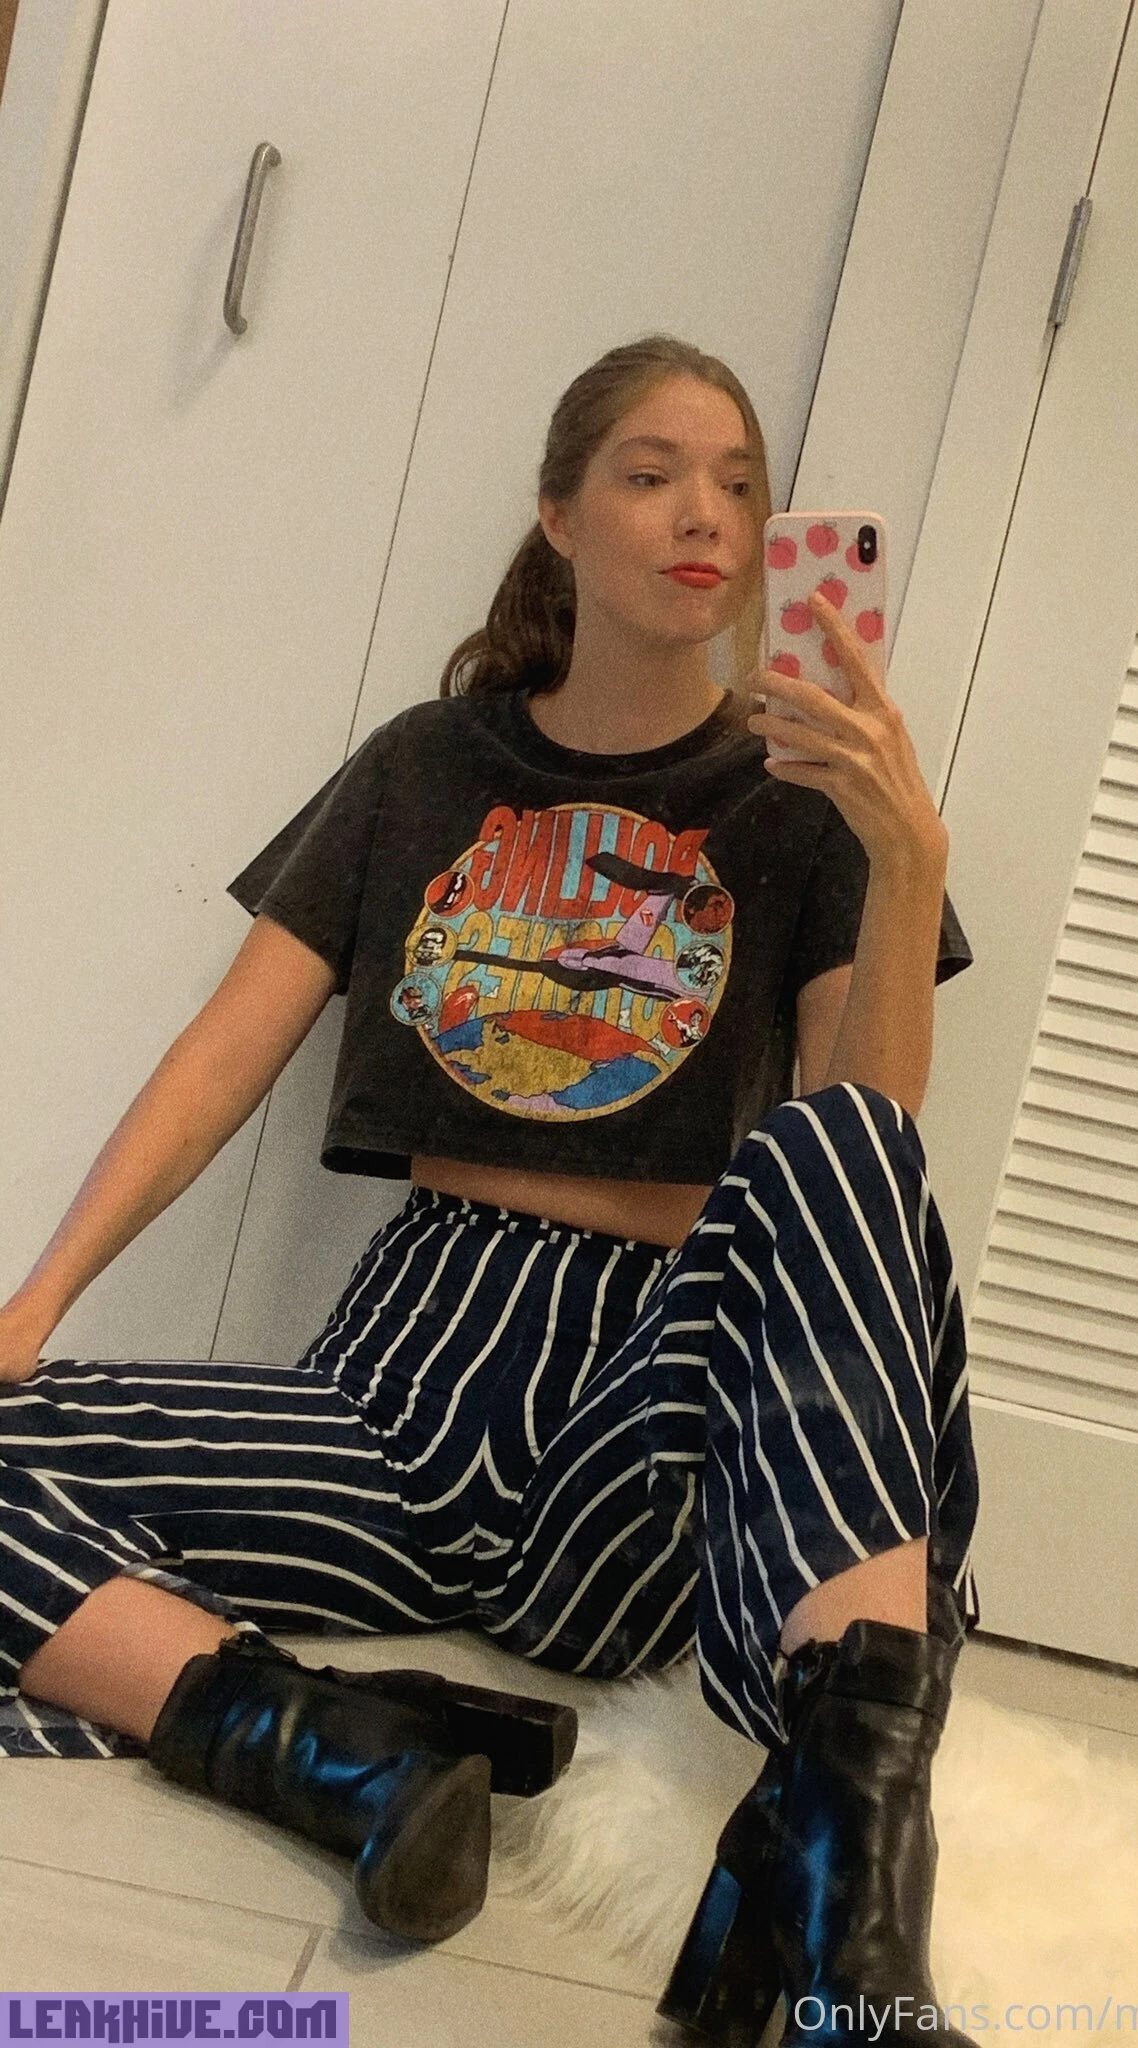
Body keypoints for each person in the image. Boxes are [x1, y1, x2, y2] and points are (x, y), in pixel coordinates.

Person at [0, 333, 981, 2045]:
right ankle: (341, 1749)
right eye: (651, 474)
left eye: (739, 485)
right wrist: (35, 1305)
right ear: (560, 515)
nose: (705, 514)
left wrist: (906, 859)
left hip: (645, 1410)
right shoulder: (424, 768)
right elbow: (224, 1053)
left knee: (845, 1150)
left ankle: (840, 1938)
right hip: (401, 1383)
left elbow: (867, 1141)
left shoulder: (807, 799)